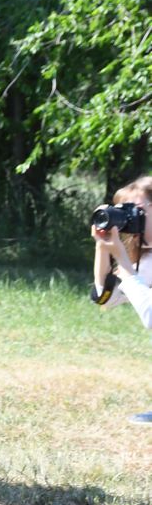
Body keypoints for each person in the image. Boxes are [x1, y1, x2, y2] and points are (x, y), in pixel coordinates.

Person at [91, 176, 152, 424]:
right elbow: (105, 298)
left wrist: (126, 268)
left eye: (136, 211)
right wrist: (103, 247)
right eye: (123, 212)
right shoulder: (145, 260)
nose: (128, 220)